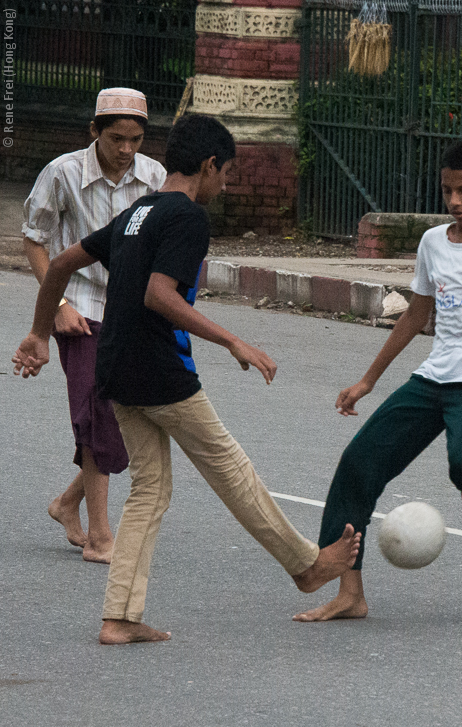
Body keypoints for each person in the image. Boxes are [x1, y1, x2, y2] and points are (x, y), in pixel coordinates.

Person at [13, 114, 361, 645]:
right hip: (156, 370)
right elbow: (160, 294)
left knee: (150, 490)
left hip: (114, 368)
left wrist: (41, 331)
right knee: (230, 466)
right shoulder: (186, 218)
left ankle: (119, 618)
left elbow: (59, 263)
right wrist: (233, 341)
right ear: (208, 165)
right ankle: (306, 566)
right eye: (228, 172)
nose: (228, 183)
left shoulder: (137, 212)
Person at [294, 139, 462, 622]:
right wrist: (368, 381)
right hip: (435, 376)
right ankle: (351, 592)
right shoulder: (433, 242)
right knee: (358, 463)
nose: (455, 202)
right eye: (447, 191)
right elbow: (416, 315)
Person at [22, 88, 166, 563]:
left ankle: (68, 502)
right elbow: (35, 241)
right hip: (79, 310)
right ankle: (102, 536)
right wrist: (57, 303)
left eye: (136, 139)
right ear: (94, 132)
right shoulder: (62, 173)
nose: (126, 150)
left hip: (133, 313)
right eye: (116, 138)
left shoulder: (154, 177)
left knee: (124, 421)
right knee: (95, 411)